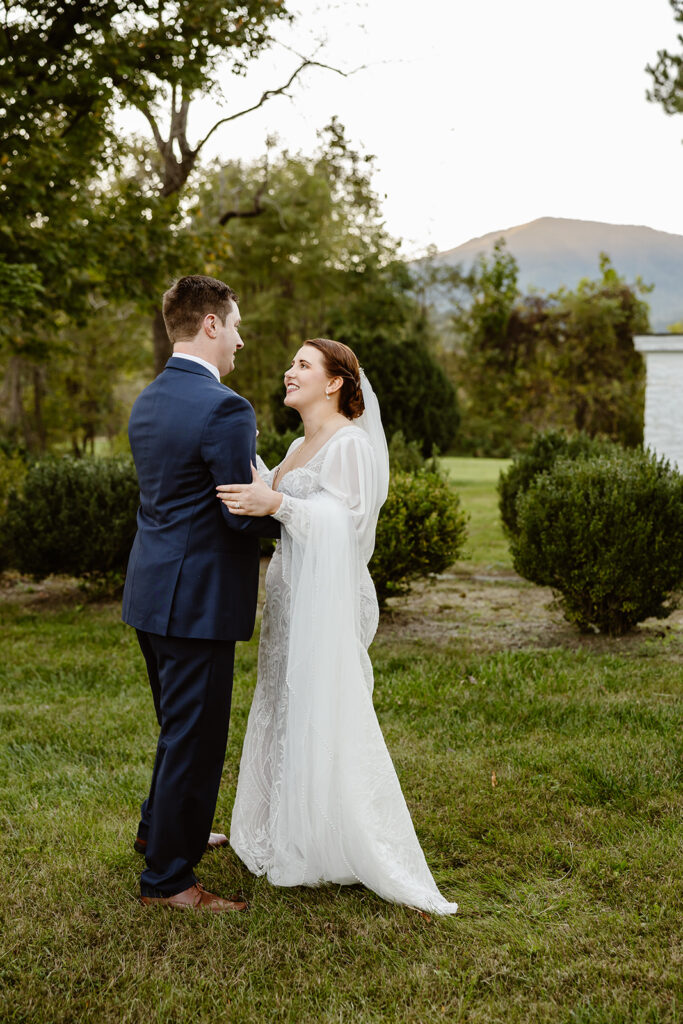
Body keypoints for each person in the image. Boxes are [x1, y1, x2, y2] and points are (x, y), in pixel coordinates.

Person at [218, 338, 458, 915]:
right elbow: (271, 494)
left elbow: (343, 523)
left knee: (322, 704)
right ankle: (280, 826)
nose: (288, 370)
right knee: (283, 699)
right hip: (290, 596)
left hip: (326, 601)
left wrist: (275, 506)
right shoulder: (301, 443)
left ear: (334, 383)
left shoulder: (349, 444)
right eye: (291, 362)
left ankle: (331, 837)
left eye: (302, 364)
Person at [122, 275, 280, 913]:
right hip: (199, 601)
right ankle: (168, 882)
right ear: (211, 324)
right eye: (236, 325)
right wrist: (293, 514)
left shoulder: (150, 400)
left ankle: (158, 832)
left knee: (175, 726)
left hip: (152, 591)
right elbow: (240, 514)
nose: (240, 339)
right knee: (195, 734)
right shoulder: (225, 407)